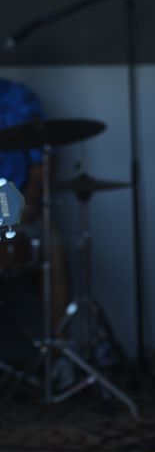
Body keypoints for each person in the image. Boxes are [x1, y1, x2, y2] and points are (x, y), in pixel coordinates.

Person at [0, 78, 70, 334]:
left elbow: (44, 161)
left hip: (14, 206)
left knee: (54, 251)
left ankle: (58, 348)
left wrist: (26, 204)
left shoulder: (17, 98)